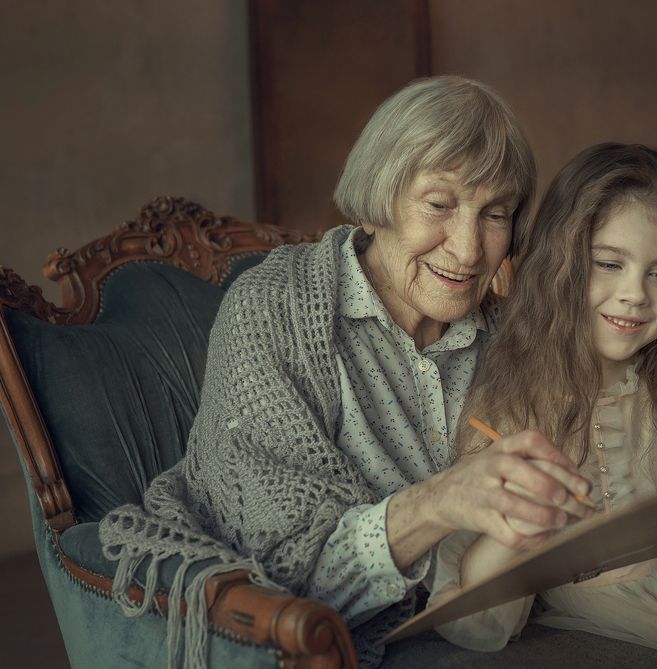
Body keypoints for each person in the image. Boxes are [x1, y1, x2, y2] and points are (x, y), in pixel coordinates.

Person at [97, 76, 593, 669]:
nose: (467, 249)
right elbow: (283, 574)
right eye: (438, 205)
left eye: (495, 214)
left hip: (474, 623)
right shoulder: (274, 311)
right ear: (380, 198)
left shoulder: (509, 328)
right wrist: (440, 503)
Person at [429, 143, 657, 669]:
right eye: (609, 264)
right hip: (613, 611)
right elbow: (481, 613)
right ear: (562, 265)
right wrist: (523, 521)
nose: (635, 294)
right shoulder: (511, 405)